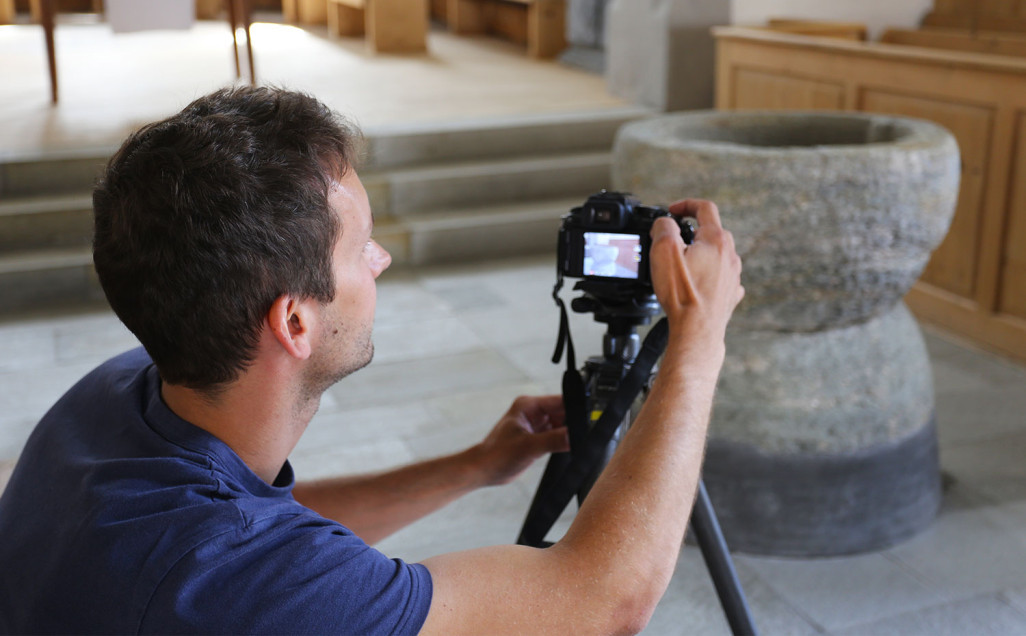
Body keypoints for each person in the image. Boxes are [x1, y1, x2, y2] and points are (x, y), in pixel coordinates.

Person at [0, 86, 743, 635]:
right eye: (361, 248)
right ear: (294, 321)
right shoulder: (236, 584)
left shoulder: (109, 397)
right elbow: (602, 601)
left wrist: (474, 467)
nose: (381, 260)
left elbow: (271, 529)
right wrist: (697, 336)